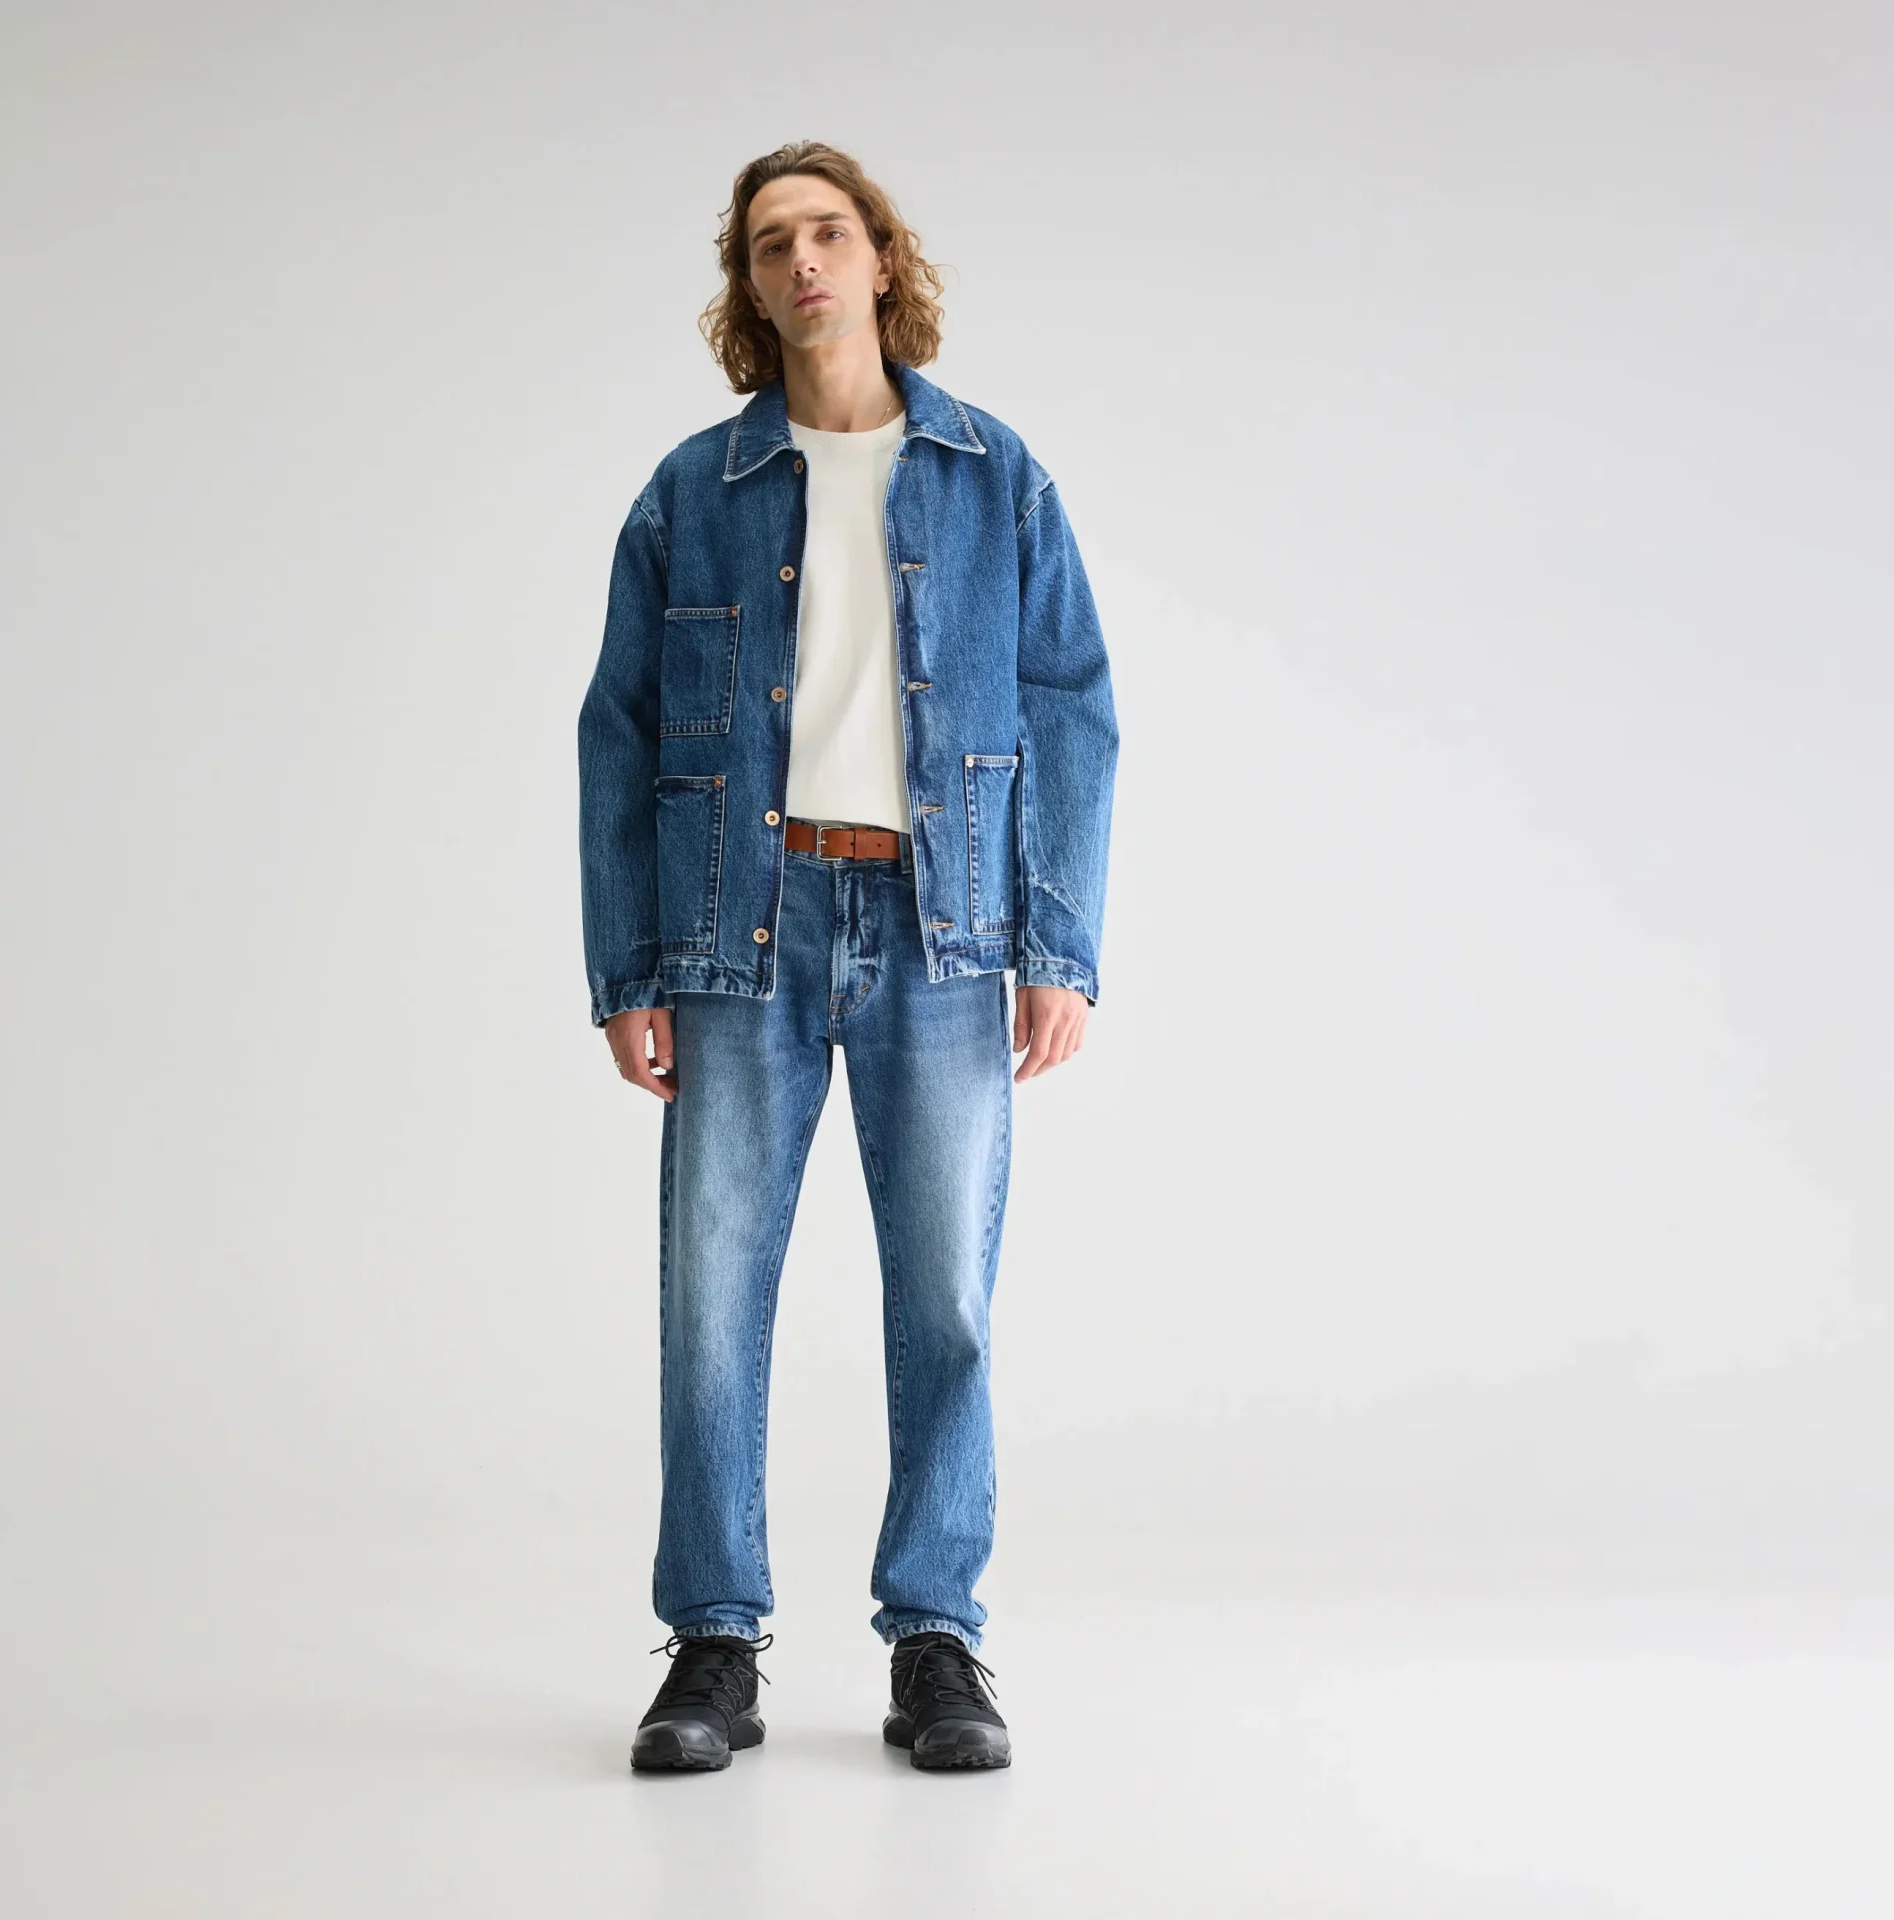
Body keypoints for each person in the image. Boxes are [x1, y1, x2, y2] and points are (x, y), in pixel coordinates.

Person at [576, 140, 1118, 1774]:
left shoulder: (993, 476)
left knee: (944, 1294)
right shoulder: (694, 491)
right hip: (739, 929)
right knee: (710, 1296)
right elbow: (619, 731)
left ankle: (935, 1636)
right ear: (749, 288)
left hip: (943, 927)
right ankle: (713, 1642)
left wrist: (1058, 942)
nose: (801, 261)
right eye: (769, 244)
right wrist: (630, 966)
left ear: (882, 257)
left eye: (826, 232)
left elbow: (1071, 706)